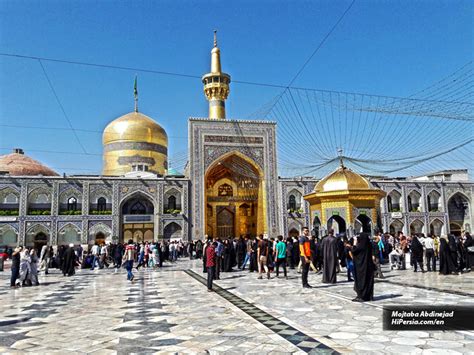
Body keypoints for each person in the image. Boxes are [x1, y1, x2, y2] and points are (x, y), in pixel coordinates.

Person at [352, 233, 375, 302]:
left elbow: (353, 251)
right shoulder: (369, 245)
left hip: (361, 268)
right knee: (368, 281)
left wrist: (354, 243)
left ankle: (362, 296)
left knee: (362, 281)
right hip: (369, 266)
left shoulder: (360, 246)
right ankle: (369, 296)